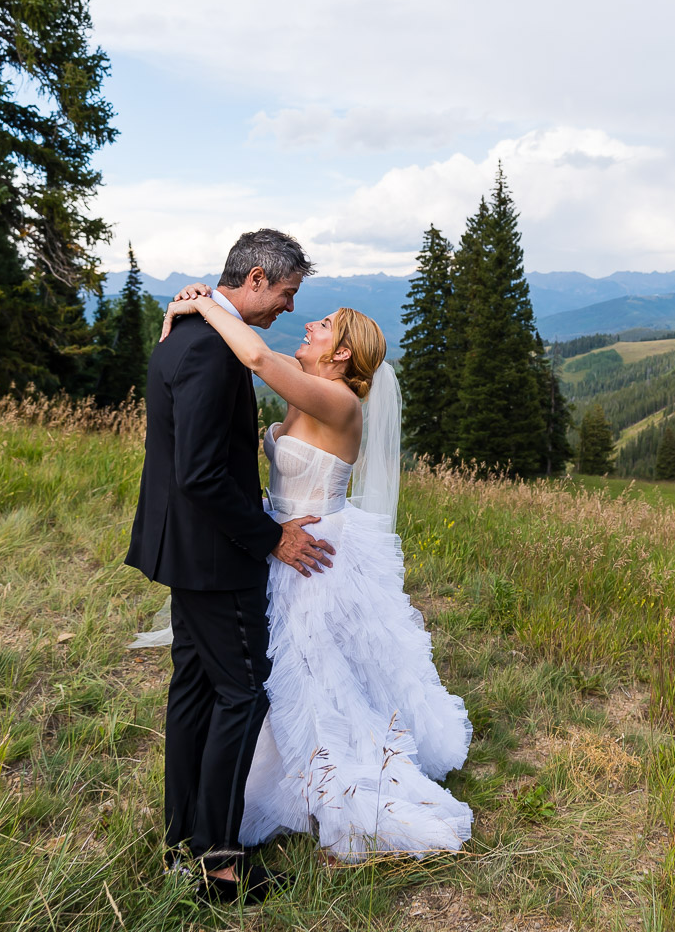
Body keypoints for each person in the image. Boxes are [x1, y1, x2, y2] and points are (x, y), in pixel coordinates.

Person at [160, 283, 474, 863]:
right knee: (274, 670)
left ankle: (331, 781)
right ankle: (246, 783)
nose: (308, 324)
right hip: (279, 541)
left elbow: (253, 356)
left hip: (312, 555)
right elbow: (251, 355)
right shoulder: (306, 389)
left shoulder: (340, 403)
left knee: (308, 673)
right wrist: (187, 310)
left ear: (342, 354)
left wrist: (206, 306)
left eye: (323, 325)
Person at [125, 230, 336, 904]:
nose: (285, 308)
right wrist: (271, 537)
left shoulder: (181, 333)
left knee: (194, 686)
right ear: (254, 279)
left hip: (180, 549)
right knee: (243, 692)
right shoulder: (214, 352)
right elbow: (205, 475)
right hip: (219, 557)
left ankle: (180, 835)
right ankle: (221, 862)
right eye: (284, 293)